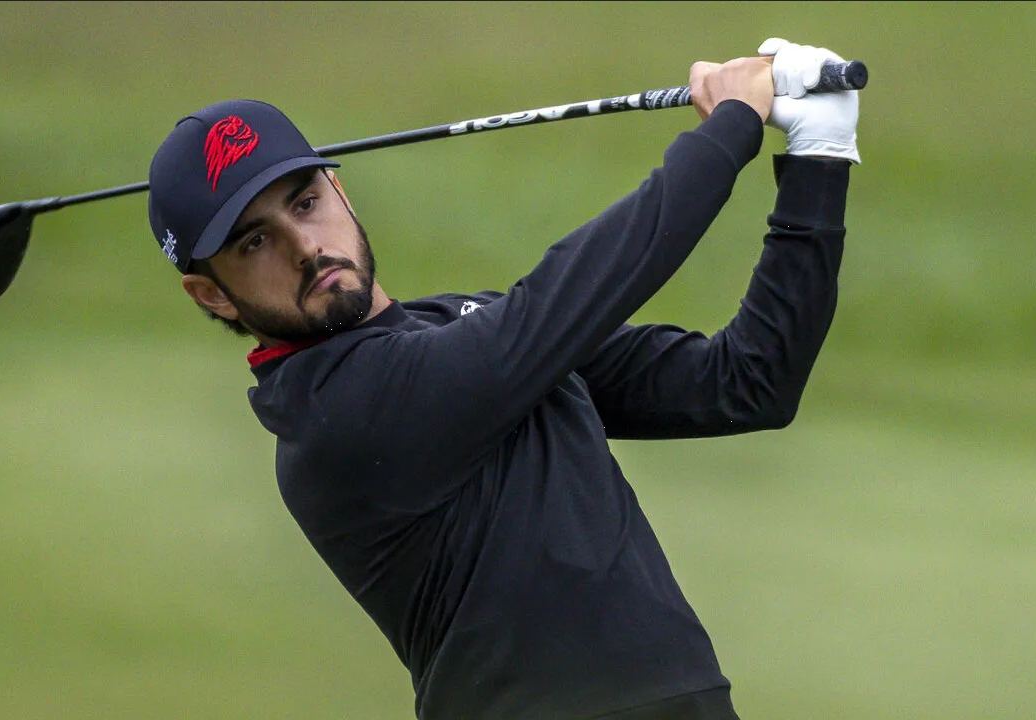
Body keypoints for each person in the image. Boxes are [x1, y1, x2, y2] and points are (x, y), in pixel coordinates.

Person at [144, 36, 859, 720]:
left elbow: (745, 384)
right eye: (255, 241)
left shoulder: (463, 328)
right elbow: (566, 299)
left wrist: (820, 157)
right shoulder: (332, 414)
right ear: (211, 295)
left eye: (305, 203)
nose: (305, 247)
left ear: (340, 190)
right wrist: (730, 124)